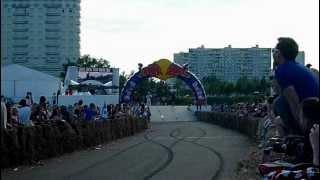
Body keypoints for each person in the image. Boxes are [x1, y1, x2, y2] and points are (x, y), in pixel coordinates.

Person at [273, 37, 319, 136]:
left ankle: (296, 136)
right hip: (314, 111)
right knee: (278, 117)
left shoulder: (283, 70)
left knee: (278, 102)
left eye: (274, 51)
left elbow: (292, 100)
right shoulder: (299, 67)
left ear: (279, 53)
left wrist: (302, 128)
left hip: (309, 117)